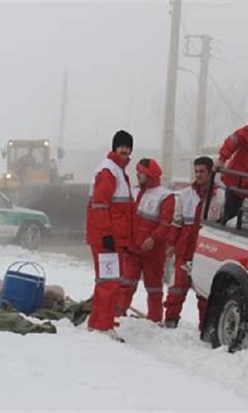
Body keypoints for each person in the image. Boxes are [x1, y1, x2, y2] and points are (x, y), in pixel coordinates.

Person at [164, 156, 224, 330]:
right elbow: (177, 222)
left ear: (210, 172)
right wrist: (170, 244)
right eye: (196, 171)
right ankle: (170, 320)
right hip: (185, 250)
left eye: (202, 172)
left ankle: (205, 327)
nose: (198, 175)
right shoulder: (185, 195)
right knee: (177, 288)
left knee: (205, 292)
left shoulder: (221, 196)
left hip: (207, 251)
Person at [85, 130, 134, 341]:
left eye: (128, 147)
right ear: (115, 147)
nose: (125, 151)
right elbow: (100, 204)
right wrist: (106, 233)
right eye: (122, 147)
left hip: (113, 237)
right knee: (110, 283)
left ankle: (96, 323)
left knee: (105, 281)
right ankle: (103, 327)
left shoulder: (117, 171)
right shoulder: (109, 172)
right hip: (107, 238)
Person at [118, 158, 175, 323]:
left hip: (153, 251)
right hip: (133, 249)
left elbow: (166, 223)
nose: (137, 174)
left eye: (141, 172)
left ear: (149, 174)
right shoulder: (134, 192)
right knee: (126, 283)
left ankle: (155, 320)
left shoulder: (165, 196)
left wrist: (154, 238)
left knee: (154, 287)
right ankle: (119, 315)